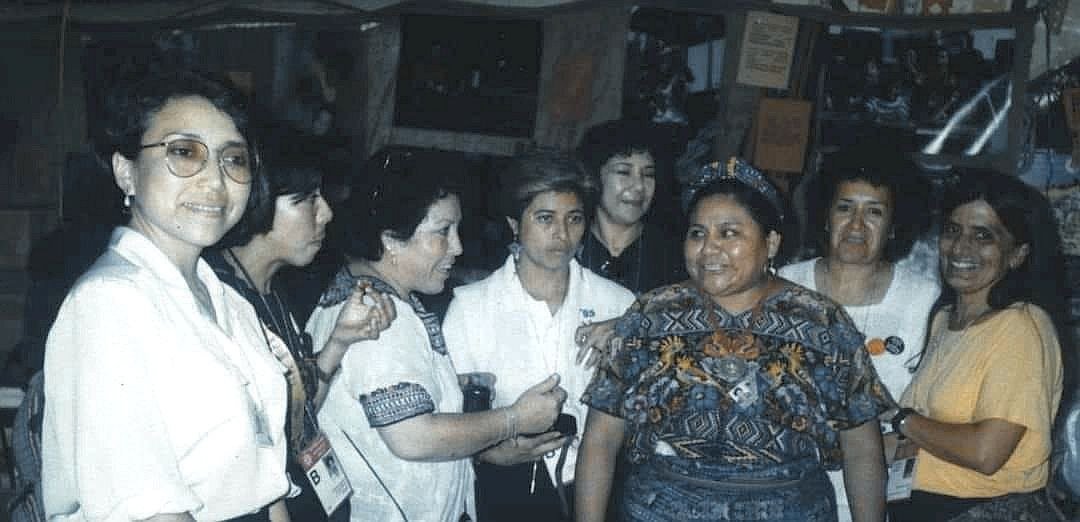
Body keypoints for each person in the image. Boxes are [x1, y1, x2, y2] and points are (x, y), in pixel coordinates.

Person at [575, 157, 891, 522]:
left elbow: (862, 450)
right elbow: (601, 439)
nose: (708, 250)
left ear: (771, 243)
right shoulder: (650, 316)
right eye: (697, 233)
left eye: (729, 233)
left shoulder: (822, 322)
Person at [41, 69, 291, 521]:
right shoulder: (108, 305)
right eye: (184, 152)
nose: (215, 182)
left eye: (233, 160)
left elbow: (264, 476)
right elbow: (149, 509)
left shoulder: (231, 303)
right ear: (126, 171)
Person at [306, 149, 568, 522]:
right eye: (442, 231)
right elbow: (414, 436)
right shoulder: (378, 314)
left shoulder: (384, 297)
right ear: (392, 238)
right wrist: (515, 418)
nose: (457, 246)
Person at [206, 135, 396, 521]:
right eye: (307, 200)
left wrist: (340, 341)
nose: (326, 213)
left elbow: (298, 416)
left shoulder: (272, 289)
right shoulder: (218, 300)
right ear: (256, 204)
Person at [443, 151, 636, 521]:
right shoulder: (471, 308)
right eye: (545, 218)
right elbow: (447, 419)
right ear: (514, 223)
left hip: (594, 492)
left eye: (574, 219)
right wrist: (488, 451)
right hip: (502, 492)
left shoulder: (618, 304)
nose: (562, 235)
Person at [888, 170, 1066, 522]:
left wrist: (901, 419)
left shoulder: (1020, 328)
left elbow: (986, 452)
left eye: (983, 236)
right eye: (953, 231)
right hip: (921, 507)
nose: (960, 248)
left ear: (1017, 254)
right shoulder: (944, 321)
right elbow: (923, 443)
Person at [779, 155, 939, 520]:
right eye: (845, 208)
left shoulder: (925, 300)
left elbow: (934, 410)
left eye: (874, 212)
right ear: (825, 216)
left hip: (877, 498)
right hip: (785, 493)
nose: (856, 225)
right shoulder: (784, 287)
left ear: (894, 225)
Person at [576, 119, 686, 294]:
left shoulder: (673, 257)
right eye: (624, 172)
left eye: (648, 174)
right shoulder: (570, 246)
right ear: (594, 177)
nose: (639, 186)